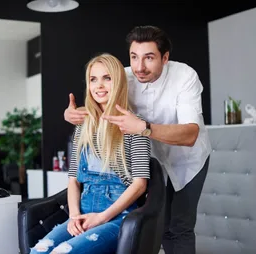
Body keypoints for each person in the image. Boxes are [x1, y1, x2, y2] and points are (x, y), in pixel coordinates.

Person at [64, 26, 211, 254]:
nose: (139, 67)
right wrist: (71, 114)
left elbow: (191, 134)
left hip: (186, 160)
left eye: (149, 58)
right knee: (155, 225)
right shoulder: (124, 75)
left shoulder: (185, 77)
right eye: (134, 57)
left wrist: (143, 128)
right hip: (149, 159)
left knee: (179, 227)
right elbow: (101, 102)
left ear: (165, 58)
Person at [31, 53, 151, 254]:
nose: (99, 85)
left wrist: (101, 217)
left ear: (119, 81)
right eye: (93, 79)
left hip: (117, 217)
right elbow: (73, 181)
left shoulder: (134, 124)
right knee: (38, 251)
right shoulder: (83, 127)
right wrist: (74, 216)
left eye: (107, 78)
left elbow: (140, 185)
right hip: (82, 214)